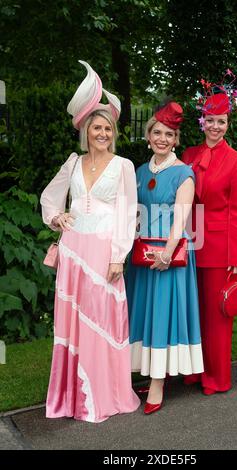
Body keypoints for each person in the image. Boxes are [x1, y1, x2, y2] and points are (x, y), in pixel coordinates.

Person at [40, 60, 140, 422]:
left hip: (102, 252)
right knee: (72, 322)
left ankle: (103, 395)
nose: (102, 133)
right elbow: (51, 198)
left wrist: (118, 256)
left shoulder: (124, 166)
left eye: (108, 128)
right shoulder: (73, 162)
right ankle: (70, 398)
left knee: (101, 320)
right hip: (72, 250)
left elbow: (127, 214)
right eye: (97, 127)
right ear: (86, 130)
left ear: (114, 132)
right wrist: (57, 217)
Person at [125, 101, 204, 415]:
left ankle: (158, 383)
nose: (162, 138)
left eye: (168, 134)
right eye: (156, 132)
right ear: (148, 135)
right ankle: (148, 371)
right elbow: (135, 214)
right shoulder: (140, 171)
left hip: (169, 256)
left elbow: (181, 220)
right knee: (144, 312)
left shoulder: (184, 173)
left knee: (162, 314)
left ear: (176, 139)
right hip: (142, 255)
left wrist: (167, 254)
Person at [182, 73, 237, 395]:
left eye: (221, 121)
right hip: (189, 243)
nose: (215, 127)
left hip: (220, 248)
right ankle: (194, 372)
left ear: (227, 123)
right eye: (210, 120)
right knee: (192, 312)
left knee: (218, 318)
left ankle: (217, 378)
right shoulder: (188, 156)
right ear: (202, 121)